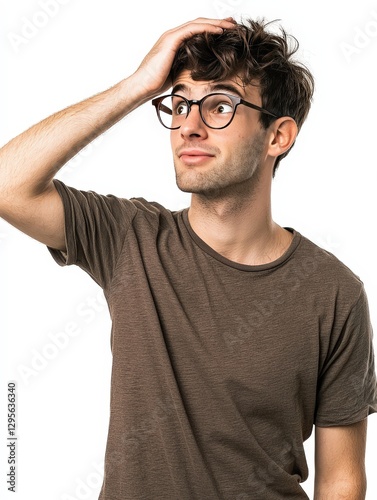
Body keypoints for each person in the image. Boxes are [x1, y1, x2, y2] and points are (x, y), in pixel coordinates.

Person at [1, 15, 376, 500]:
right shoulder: (129, 237)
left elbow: (342, 479)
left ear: (277, 136)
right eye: (179, 106)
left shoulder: (335, 292)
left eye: (219, 105)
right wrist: (138, 85)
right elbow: (9, 185)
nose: (189, 127)